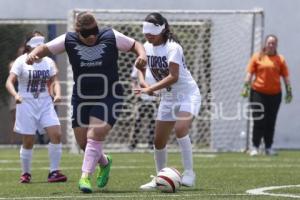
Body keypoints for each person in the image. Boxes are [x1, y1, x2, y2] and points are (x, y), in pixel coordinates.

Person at [26, 11, 147, 193]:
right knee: (83, 143)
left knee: (95, 133)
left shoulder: (110, 36)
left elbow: (136, 45)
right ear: (77, 31)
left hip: (109, 93)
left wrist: (142, 56)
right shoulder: (68, 40)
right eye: (86, 33)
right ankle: (105, 163)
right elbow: (44, 49)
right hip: (82, 96)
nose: (92, 36)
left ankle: (84, 177)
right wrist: (34, 54)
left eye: (94, 31)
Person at [138, 13, 201, 190]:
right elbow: (144, 79)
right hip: (168, 97)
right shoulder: (146, 47)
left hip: (188, 94)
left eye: (152, 32)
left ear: (162, 30)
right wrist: (143, 80)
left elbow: (173, 76)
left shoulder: (173, 48)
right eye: (146, 32)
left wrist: (151, 89)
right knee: (158, 141)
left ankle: (189, 173)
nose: (148, 35)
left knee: (181, 128)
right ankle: (159, 178)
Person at [5, 31, 67, 183]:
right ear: (29, 46)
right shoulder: (21, 61)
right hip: (26, 103)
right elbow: (9, 82)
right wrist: (16, 95)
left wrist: (57, 94)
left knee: (56, 134)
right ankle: (26, 173)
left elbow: (55, 81)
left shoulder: (49, 62)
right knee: (28, 141)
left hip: (45, 102)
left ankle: (54, 172)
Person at [241, 34, 292, 156]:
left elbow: (285, 77)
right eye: (269, 42)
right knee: (259, 120)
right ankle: (255, 147)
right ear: (265, 44)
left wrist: (289, 90)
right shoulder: (257, 57)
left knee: (270, 121)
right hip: (258, 93)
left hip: (275, 95)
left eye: (273, 43)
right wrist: (246, 87)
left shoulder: (280, 59)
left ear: (276, 45)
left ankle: (268, 147)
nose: (271, 45)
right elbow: (249, 74)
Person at [129, 66, 159, 150]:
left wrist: (158, 93)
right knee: (137, 121)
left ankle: (151, 144)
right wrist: (135, 90)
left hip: (154, 98)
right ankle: (133, 144)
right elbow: (133, 78)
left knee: (152, 122)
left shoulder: (156, 62)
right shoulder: (140, 62)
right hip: (141, 98)